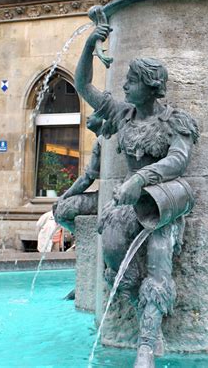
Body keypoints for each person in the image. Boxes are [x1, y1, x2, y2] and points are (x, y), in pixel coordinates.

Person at [75, 23, 199, 368]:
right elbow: (83, 85)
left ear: (150, 87)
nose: (125, 85)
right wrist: (88, 46)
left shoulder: (176, 121)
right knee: (114, 253)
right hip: (129, 205)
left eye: (131, 80)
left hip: (163, 204)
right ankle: (143, 311)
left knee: (159, 261)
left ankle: (146, 344)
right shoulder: (121, 114)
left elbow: (178, 159)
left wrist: (142, 177)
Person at [53, 110, 103, 234]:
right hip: (110, 195)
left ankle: (90, 238)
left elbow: (86, 180)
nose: (88, 117)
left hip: (107, 197)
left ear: (103, 118)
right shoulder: (103, 140)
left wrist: (63, 198)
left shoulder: (101, 141)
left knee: (62, 211)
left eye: (94, 113)